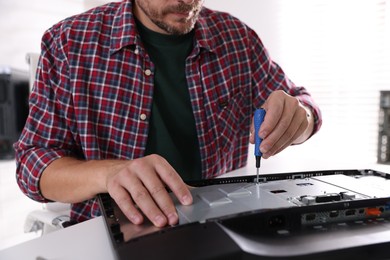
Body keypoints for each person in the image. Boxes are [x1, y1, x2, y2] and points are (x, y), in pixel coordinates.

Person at [14, 0, 322, 228]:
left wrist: (301, 118)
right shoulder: (69, 42)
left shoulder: (238, 39)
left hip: (221, 231)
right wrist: (109, 174)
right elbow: (32, 166)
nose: (186, 2)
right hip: (111, 234)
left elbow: (302, 103)